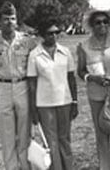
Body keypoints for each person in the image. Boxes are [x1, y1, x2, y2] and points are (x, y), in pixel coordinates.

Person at [77, 11, 110, 170]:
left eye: (105, 22)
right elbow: (80, 71)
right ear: (92, 26)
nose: (102, 25)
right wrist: (92, 78)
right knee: (101, 134)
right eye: (98, 22)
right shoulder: (84, 46)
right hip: (96, 94)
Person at [0, 2, 36, 170]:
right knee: (7, 134)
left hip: (22, 85)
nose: (9, 22)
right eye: (6, 19)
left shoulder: (28, 42)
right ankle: (11, 167)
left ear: (17, 21)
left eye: (13, 18)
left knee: (24, 132)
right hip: (2, 87)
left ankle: (25, 166)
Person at [27, 19, 78, 170]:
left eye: (56, 32)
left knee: (64, 139)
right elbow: (32, 83)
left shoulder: (65, 52)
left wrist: (75, 102)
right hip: (44, 104)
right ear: (42, 35)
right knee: (50, 141)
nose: (54, 36)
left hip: (65, 102)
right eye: (50, 33)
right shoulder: (35, 55)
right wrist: (33, 108)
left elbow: (71, 79)